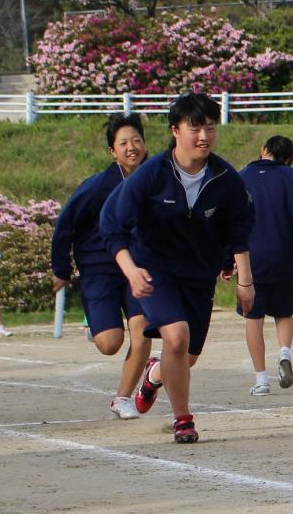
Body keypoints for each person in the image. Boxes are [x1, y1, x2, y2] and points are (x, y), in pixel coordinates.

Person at [101, 93, 255, 445]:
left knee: (187, 356)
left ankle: (155, 373)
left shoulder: (224, 176)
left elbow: (240, 229)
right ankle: (183, 420)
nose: (204, 136)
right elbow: (112, 225)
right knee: (176, 336)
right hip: (156, 272)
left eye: (210, 128)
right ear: (175, 130)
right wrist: (130, 269)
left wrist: (246, 281)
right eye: (195, 128)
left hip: (200, 275)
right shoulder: (152, 175)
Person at [51, 112, 154, 418]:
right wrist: (61, 269)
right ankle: (98, 321)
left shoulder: (155, 181)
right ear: (113, 151)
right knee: (110, 343)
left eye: (137, 140)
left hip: (138, 268)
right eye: (123, 143)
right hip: (99, 268)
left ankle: (123, 398)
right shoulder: (96, 186)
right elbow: (65, 225)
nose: (131, 147)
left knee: (143, 329)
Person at [240, 134, 293, 395]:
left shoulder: (243, 176)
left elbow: (232, 220)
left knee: (253, 317)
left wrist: (227, 259)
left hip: (251, 258)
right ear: (289, 158)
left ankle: (261, 379)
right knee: (283, 313)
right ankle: (284, 351)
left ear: (263, 150)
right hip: (284, 255)